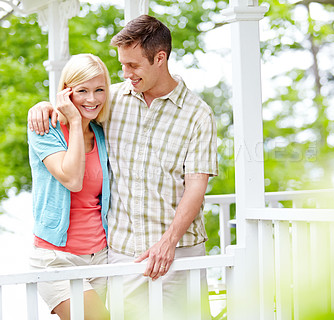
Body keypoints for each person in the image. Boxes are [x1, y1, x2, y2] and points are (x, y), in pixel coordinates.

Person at [28, 15, 218, 320]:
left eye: (133, 65)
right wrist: (43, 106)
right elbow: (79, 102)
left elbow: (196, 186)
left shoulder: (198, 115)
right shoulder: (112, 99)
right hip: (120, 255)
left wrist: (167, 243)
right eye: (122, 65)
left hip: (179, 252)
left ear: (160, 58)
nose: (125, 73)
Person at [28, 53, 111, 320]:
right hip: (56, 258)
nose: (92, 99)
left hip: (101, 256)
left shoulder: (101, 132)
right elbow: (72, 180)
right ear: (66, 92)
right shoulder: (45, 129)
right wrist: (74, 121)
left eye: (99, 90)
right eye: (82, 90)